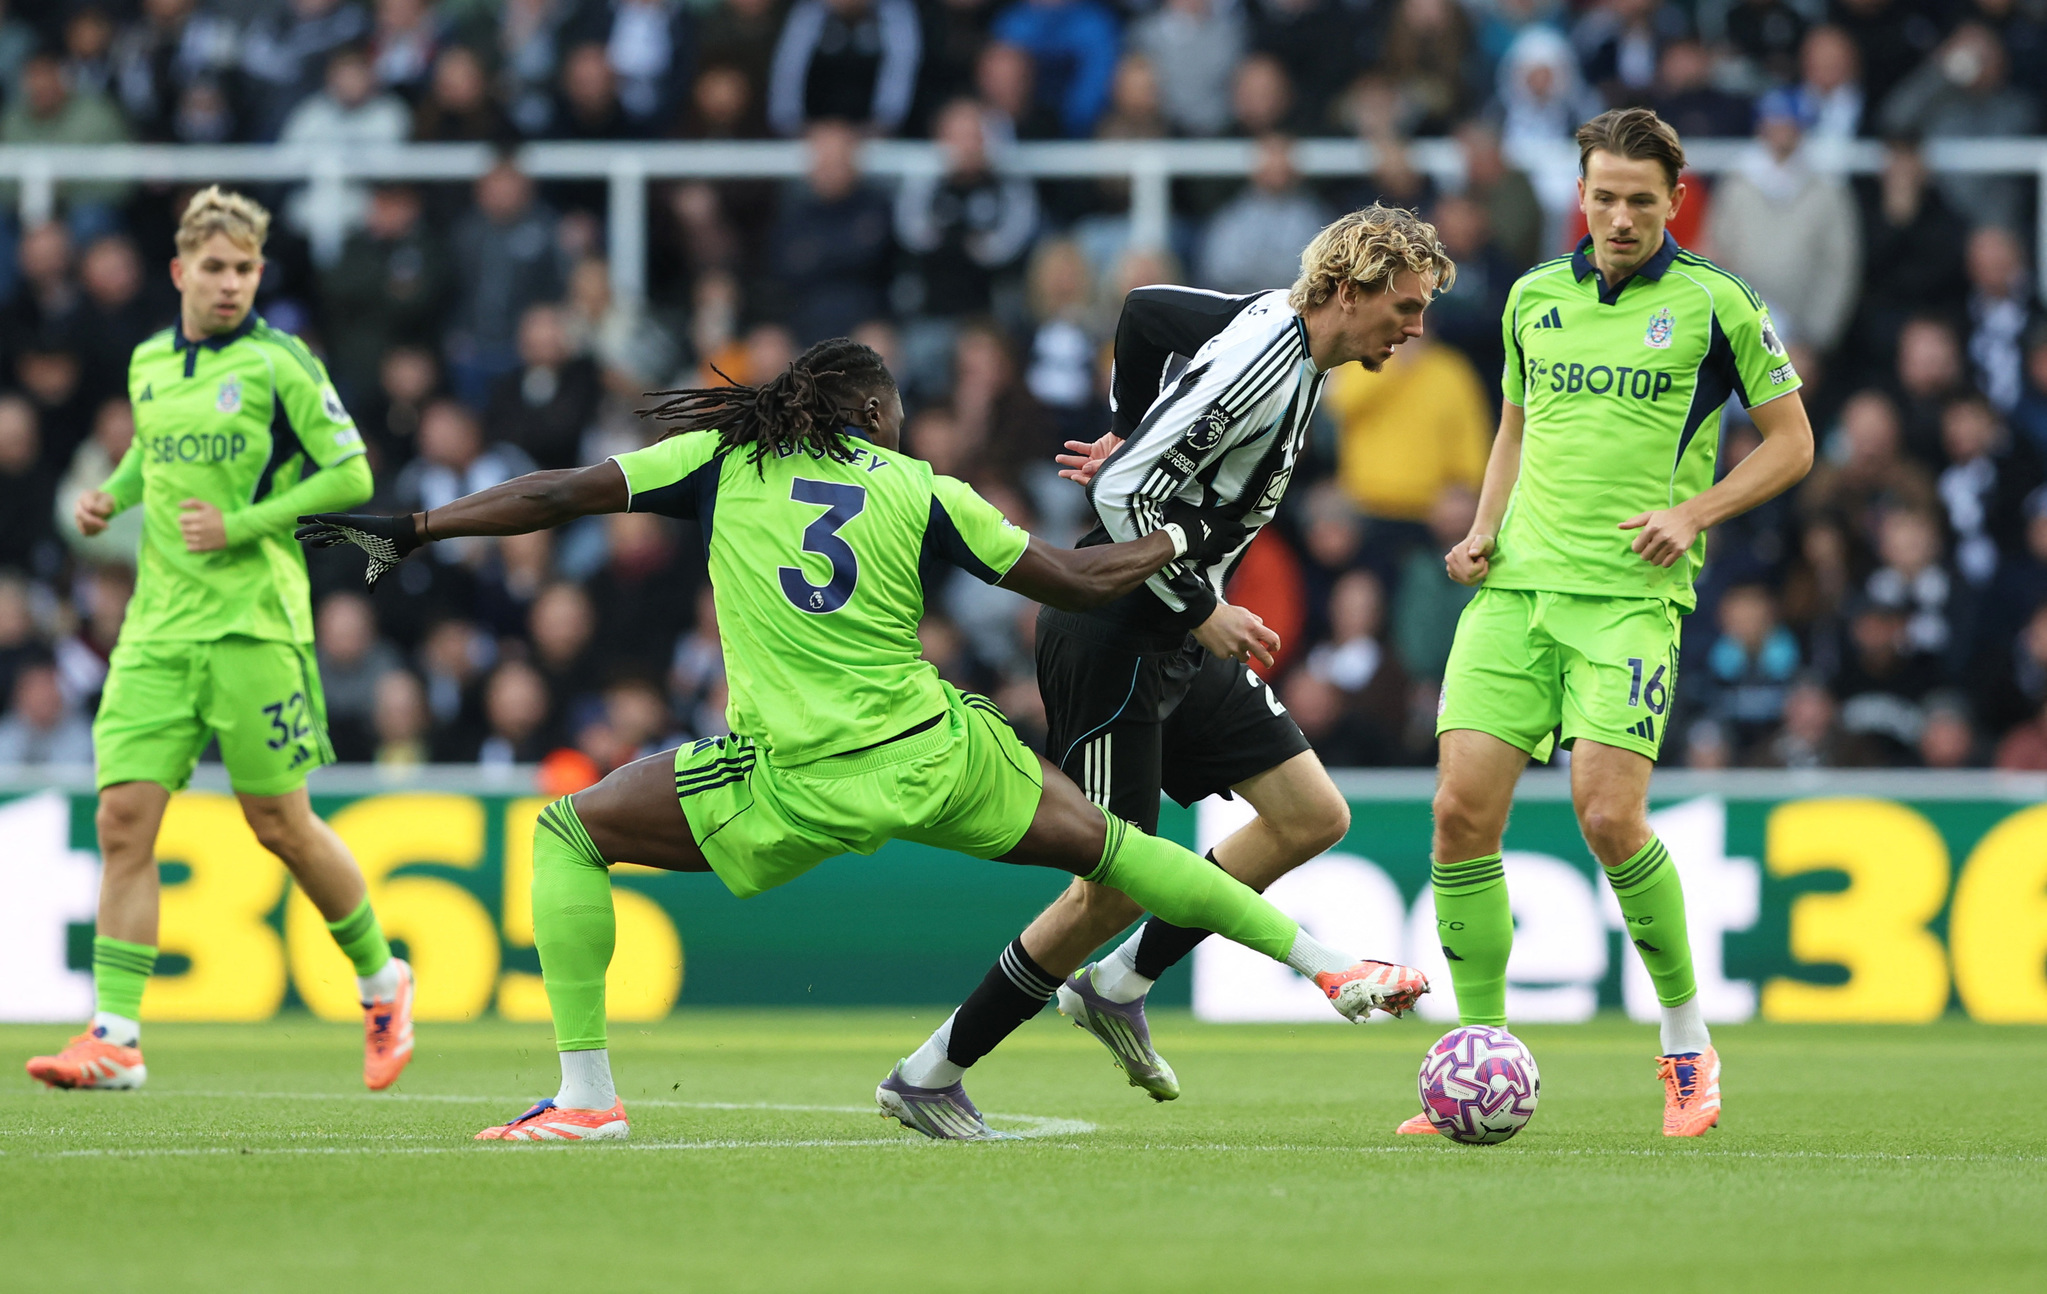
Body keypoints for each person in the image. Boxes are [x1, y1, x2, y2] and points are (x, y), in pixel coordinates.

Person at [298, 337, 1427, 1143]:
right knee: (1123, 856)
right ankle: (1324, 963)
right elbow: (1078, 577)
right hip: (937, 751)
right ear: (877, 419)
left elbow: (557, 494)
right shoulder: (925, 488)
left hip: (784, 778)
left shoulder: (719, 464)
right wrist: (1184, 530)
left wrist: (420, 523)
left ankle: (586, 1095)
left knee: (567, 833)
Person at [890, 205, 1452, 1122]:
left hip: (1175, 628)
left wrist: (1132, 422)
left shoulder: (1279, 324)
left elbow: (1146, 311)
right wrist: (1204, 608)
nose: (1415, 325)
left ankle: (1117, 984)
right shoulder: (1260, 366)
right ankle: (929, 1073)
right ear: (1349, 292)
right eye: (1405, 304)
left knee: (1310, 814)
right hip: (1116, 629)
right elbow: (1120, 492)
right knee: (1109, 886)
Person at [1414, 109, 1814, 1139]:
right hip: (1514, 595)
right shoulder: (1531, 298)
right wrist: (1481, 529)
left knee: (1606, 817)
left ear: (1673, 201)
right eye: (1605, 196)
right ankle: (1479, 1055)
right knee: (1460, 814)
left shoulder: (1717, 303)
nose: (1621, 215)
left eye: (1641, 199)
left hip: (1630, 602)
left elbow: (1791, 444)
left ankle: (1688, 1050)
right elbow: (1514, 423)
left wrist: (1693, 513)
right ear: (1579, 196)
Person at [25, 188, 415, 1094]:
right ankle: (116, 1035)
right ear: (180, 272)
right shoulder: (150, 362)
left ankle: (381, 978)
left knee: (279, 823)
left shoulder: (282, 363)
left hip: (253, 625)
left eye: (245, 269)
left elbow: (351, 472)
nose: (232, 282)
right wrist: (112, 497)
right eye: (215, 267)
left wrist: (243, 523)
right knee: (123, 819)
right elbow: (152, 454)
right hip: (158, 628)